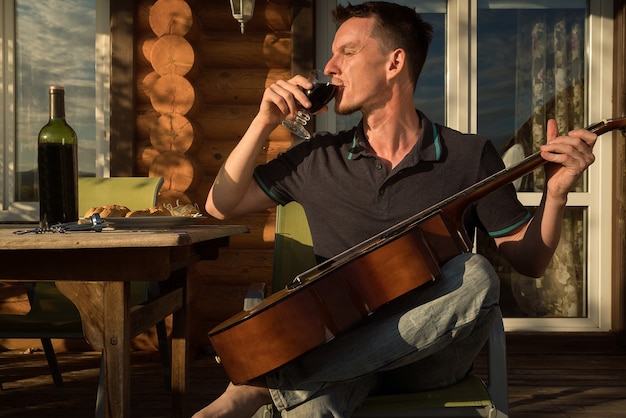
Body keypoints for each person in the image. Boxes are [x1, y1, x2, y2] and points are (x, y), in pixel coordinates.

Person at [195, 2, 597, 417]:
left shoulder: (468, 156)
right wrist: (262, 121)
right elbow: (219, 205)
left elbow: (529, 261)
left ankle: (269, 388)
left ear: (395, 62)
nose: (330, 66)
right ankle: (293, 389)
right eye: (332, 55)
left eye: (347, 52)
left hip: (429, 357)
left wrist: (557, 193)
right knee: (311, 411)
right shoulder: (317, 158)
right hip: (341, 351)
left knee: (477, 274)